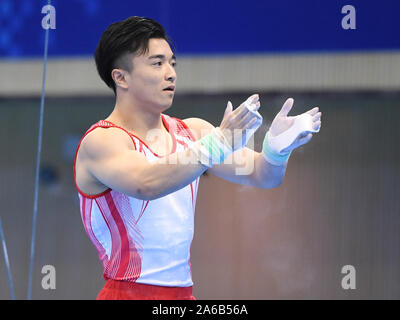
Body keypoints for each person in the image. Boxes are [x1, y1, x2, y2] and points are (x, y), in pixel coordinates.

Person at [73, 16, 322, 300]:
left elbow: (262, 175)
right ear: (121, 77)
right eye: (157, 63)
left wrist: (277, 149)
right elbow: (147, 183)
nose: (171, 73)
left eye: (172, 63)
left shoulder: (193, 132)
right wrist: (216, 144)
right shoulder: (102, 141)